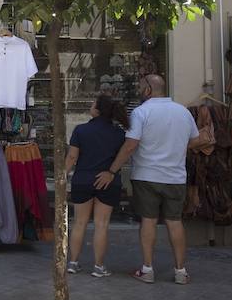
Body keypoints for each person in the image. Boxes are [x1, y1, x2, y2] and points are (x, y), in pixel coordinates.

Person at [95, 74, 199, 285]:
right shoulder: (183, 112)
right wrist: (174, 150)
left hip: (146, 175)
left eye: (142, 87)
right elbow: (195, 140)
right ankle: (181, 271)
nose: (140, 90)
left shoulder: (142, 112)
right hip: (175, 177)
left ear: (148, 90)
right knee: (175, 221)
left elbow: (131, 145)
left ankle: (147, 269)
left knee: (148, 221)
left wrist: (112, 171)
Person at [64, 95, 128, 278]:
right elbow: (122, 156)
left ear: (97, 110)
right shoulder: (118, 133)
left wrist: (63, 176)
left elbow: (72, 158)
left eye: (92, 104)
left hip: (83, 179)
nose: (90, 106)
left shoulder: (81, 130)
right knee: (102, 225)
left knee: (79, 223)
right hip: (108, 181)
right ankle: (99, 267)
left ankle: (73, 263)